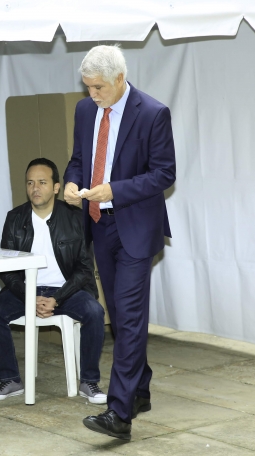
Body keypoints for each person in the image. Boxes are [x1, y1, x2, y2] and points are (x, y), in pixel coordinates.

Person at [63, 45, 176, 439]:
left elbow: (164, 174)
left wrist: (114, 190)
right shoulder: (84, 110)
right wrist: (72, 182)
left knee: (127, 321)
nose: (92, 95)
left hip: (134, 228)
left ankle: (119, 413)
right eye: (87, 87)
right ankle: (139, 389)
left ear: (119, 79)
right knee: (121, 317)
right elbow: (78, 157)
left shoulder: (152, 113)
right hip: (98, 225)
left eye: (97, 88)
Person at [0, 158, 106, 403]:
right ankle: (10, 379)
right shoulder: (15, 218)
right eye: (30, 183)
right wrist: (30, 295)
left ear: (57, 187)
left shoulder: (74, 218)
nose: (35, 188)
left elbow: (83, 269)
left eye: (42, 182)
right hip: (26, 289)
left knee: (94, 312)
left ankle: (89, 382)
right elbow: (7, 269)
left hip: (66, 290)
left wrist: (57, 298)